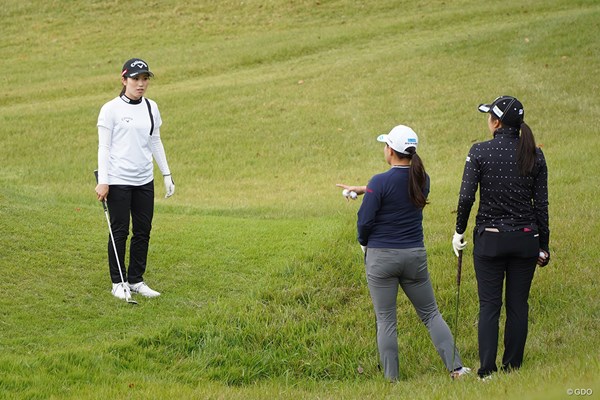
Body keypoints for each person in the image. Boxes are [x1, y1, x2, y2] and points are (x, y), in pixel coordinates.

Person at [338, 125, 470, 382]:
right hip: (414, 256)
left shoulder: (380, 181)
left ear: (391, 151)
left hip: (381, 258)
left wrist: (364, 243)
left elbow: (364, 221)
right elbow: (400, 190)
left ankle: (392, 380)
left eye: (385, 145)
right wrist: (365, 189)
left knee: (386, 320)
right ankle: (457, 369)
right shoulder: (423, 179)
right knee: (431, 314)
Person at [451, 96, 550, 379]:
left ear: (496, 122)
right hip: (526, 239)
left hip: (490, 241)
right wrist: (544, 245)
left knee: (490, 306)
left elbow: (466, 197)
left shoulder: (480, 151)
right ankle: (513, 367)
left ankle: (487, 370)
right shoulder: (535, 154)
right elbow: (541, 205)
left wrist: (459, 231)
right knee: (518, 304)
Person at [95, 58, 175, 300]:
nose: (141, 84)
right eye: (135, 79)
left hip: (144, 180)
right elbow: (104, 147)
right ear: (124, 80)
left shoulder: (152, 108)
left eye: (145, 79)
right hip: (118, 179)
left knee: (143, 230)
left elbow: (155, 141)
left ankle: (136, 279)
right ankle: (118, 282)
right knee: (120, 231)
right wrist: (104, 180)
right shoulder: (110, 109)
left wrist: (166, 173)